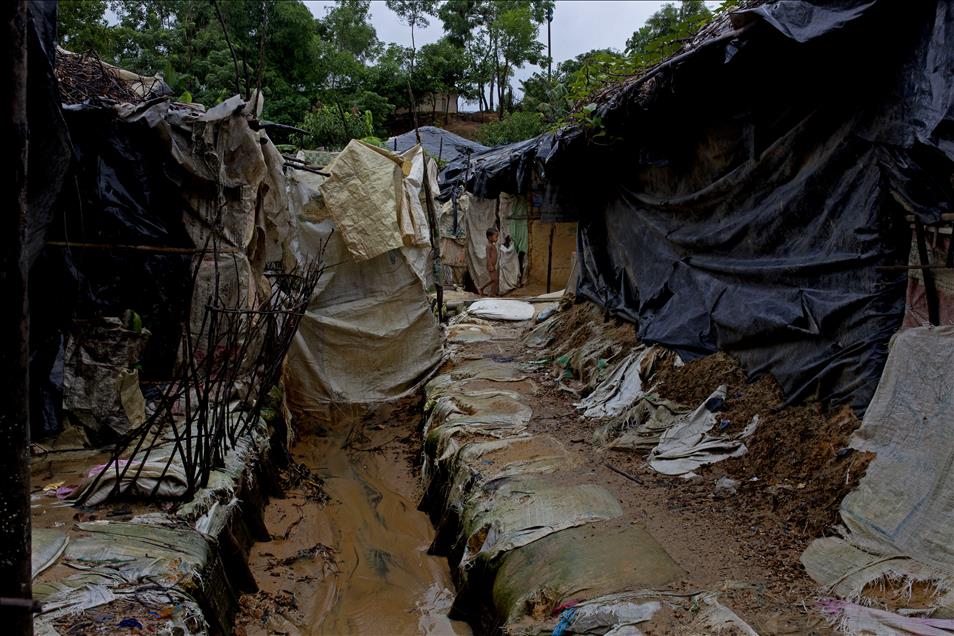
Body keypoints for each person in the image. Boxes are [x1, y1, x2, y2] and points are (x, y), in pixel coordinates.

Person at [483, 227, 499, 296]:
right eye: (496, 237)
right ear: (490, 237)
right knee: (494, 279)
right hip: (490, 265)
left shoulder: (492, 245)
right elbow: (488, 256)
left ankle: (492, 292)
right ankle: (490, 292)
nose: (497, 238)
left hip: (493, 265)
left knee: (494, 280)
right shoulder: (489, 246)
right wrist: (490, 265)